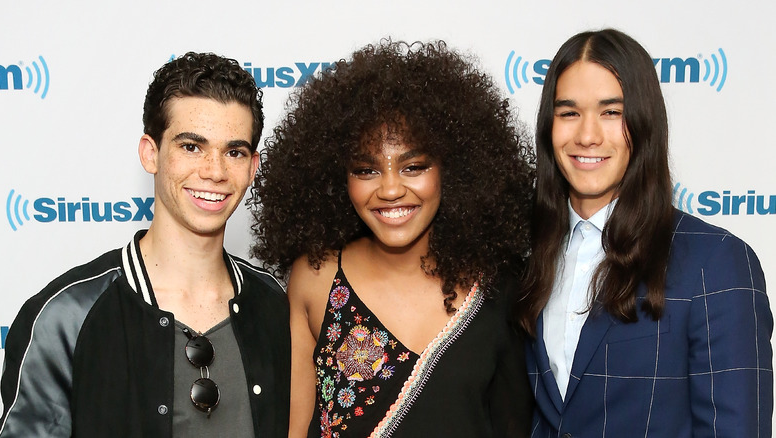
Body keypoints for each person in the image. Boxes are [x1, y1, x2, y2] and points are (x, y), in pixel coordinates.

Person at [250, 40, 535, 437]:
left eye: (414, 166)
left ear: (454, 168)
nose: (389, 189)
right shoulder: (316, 277)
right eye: (366, 170)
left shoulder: (497, 286)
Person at [0, 52, 289, 437]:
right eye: (191, 147)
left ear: (252, 167)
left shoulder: (275, 304)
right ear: (151, 153)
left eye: (233, 152)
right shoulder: (65, 317)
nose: (214, 171)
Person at [519, 28, 773, 437]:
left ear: (643, 123)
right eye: (569, 112)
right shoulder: (529, 255)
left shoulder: (717, 263)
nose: (587, 135)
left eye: (611, 112)